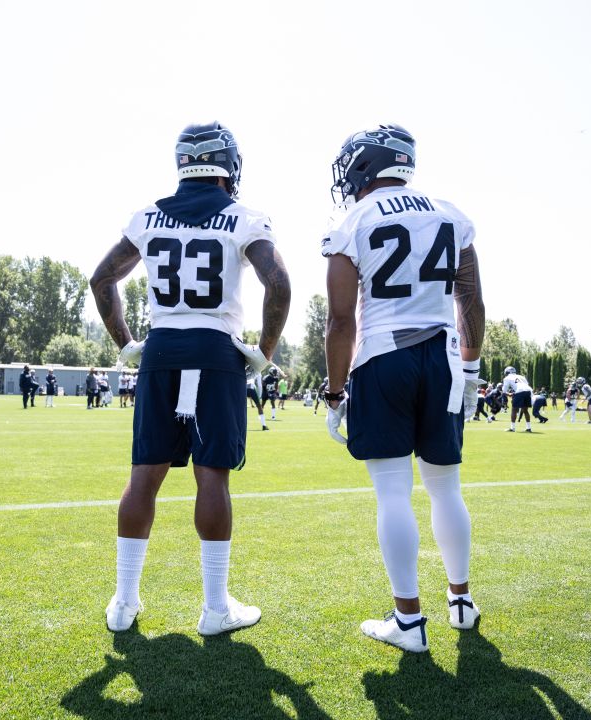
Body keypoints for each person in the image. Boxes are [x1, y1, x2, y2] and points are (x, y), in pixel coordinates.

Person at [89, 121, 291, 636]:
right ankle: (215, 608)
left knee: (143, 477)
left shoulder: (148, 216)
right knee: (212, 475)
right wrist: (263, 352)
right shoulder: (244, 217)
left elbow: (102, 278)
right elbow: (279, 283)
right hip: (215, 351)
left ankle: (124, 603)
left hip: (161, 349)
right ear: (228, 166)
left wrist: (128, 344)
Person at [322, 124, 485, 653]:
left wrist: (334, 391)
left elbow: (340, 321)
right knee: (446, 488)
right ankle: (460, 602)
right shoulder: (448, 213)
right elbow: (471, 302)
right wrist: (472, 369)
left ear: (365, 166)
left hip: (382, 357)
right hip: (442, 357)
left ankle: (408, 622)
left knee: (393, 491)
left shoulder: (354, 220)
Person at [501, 366, 534, 433]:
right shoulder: (521, 376)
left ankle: (512, 428)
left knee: (514, 410)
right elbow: (525, 385)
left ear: (507, 372)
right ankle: (529, 428)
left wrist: (509, 394)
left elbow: (504, 391)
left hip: (519, 391)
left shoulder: (507, 378)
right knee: (525, 410)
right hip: (528, 391)